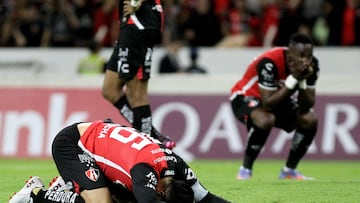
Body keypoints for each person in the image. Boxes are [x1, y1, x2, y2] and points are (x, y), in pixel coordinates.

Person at [9, 119, 231, 203]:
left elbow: (207, 198)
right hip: (74, 144)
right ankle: (34, 194)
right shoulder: (144, 172)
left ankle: (70, 187)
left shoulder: (177, 164)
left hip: (101, 141)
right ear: (161, 193)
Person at [230, 33, 319, 180]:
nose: (305, 61)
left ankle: (289, 171)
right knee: (266, 119)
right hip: (245, 96)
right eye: (301, 55)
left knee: (310, 119)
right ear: (290, 53)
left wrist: (302, 80)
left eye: (309, 56)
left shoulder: (312, 66)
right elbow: (268, 103)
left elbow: (307, 105)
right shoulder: (269, 62)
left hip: (278, 97)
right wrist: (294, 79)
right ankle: (245, 170)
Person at [101, 0, 176, 149]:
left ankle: (151, 149)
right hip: (129, 24)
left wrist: (136, 2)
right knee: (110, 90)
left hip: (138, 22)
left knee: (136, 93)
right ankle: (152, 134)